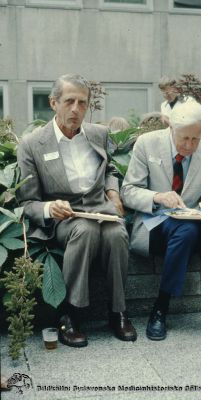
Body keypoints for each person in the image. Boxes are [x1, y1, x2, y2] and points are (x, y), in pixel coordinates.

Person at [17, 73, 137, 347]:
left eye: (82, 103)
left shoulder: (99, 133)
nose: (76, 109)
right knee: (84, 231)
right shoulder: (33, 144)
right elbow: (26, 202)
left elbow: (110, 168)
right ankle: (71, 315)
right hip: (67, 216)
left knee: (117, 234)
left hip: (100, 209)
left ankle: (118, 311)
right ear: (53, 103)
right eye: (69, 101)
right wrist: (50, 207)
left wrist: (113, 191)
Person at [121, 100, 201, 340]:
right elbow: (128, 191)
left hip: (192, 225)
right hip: (152, 224)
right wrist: (158, 196)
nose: (189, 146)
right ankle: (161, 306)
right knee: (188, 230)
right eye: (184, 138)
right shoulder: (147, 144)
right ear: (171, 129)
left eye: (195, 139)